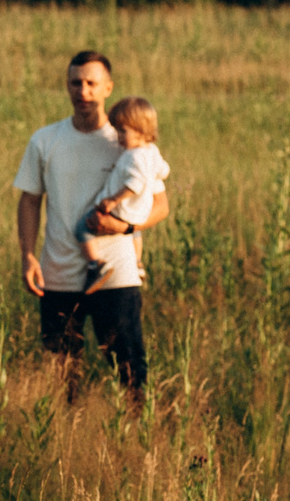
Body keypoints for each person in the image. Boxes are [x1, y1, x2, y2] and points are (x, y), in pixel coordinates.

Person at [13, 51, 171, 395]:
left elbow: (161, 206)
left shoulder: (129, 142)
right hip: (58, 275)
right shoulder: (45, 140)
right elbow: (29, 199)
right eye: (75, 83)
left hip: (117, 276)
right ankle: (66, 439)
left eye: (91, 83)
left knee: (130, 369)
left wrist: (126, 229)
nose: (83, 91)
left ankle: (137, 441)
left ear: (107, 88)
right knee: (62, 373)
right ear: (66, 87)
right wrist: (28, 256)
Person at [78, 97, 170, 295]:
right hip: (140, 212)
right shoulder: (151, 151)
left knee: (82, 229)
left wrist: (114, 199)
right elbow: (164, 171)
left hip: (124, 210)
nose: (118, 136)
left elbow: (135, 184)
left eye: (123, 131)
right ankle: (137, 262)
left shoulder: (133, 156)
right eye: (116, 130)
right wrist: (153, 173)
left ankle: (96, 265)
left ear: (140, 130)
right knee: (135, 233)